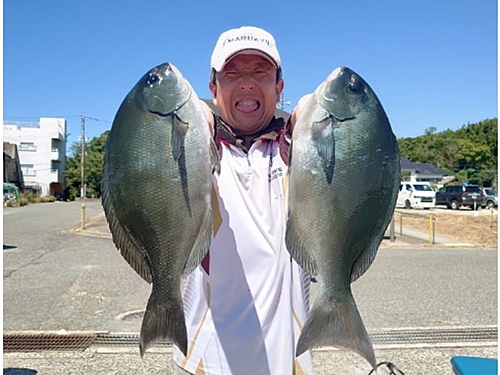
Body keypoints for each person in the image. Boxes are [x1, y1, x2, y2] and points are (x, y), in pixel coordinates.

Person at [173, 26, 314, 375]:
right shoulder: (190, 151)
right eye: (232, 73)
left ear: (279, 88)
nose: (247, 83)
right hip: (205, 359)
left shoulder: (300, 151)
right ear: (213, 88)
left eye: (260, 73)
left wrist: (313, 120)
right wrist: (189, 127)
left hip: (289, 356)